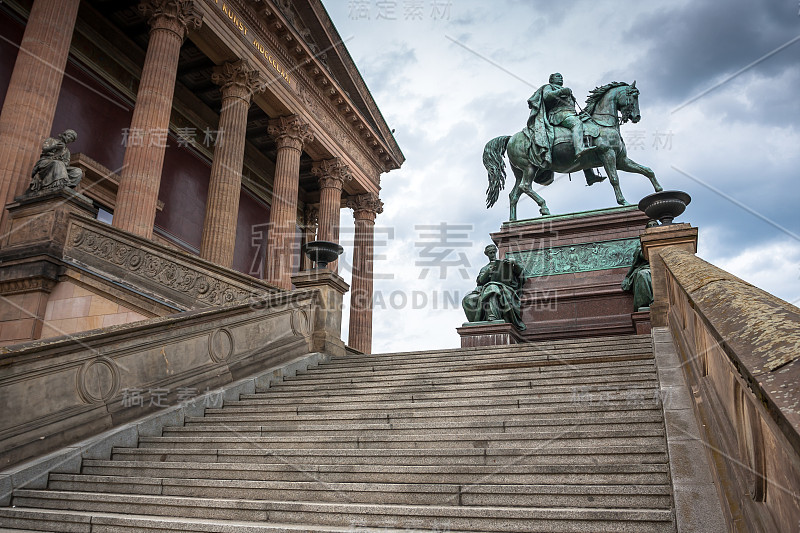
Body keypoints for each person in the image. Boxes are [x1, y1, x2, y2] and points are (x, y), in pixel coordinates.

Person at [462, 244, 526, 330]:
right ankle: (476, 322)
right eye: (490, 253)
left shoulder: (505, 264)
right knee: (468, 299)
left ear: (496, 252)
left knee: (492, 288)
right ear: (487, 254)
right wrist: (487, 272)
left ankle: (493, 316)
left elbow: (521, 275)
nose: (492, 255)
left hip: (505, 288)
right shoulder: (485, 268)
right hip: (485, 290)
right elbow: (480, 281)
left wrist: (515, 263)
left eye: (493, 252)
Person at [622, 241, 653, 311]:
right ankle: (645, 304)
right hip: (646, 268)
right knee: (643, 274)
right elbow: (642, 254)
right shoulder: (641, 245)